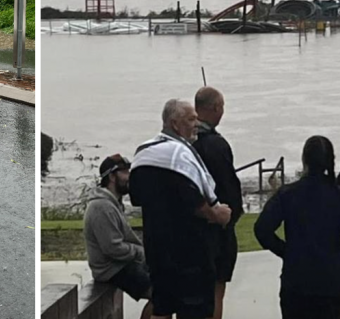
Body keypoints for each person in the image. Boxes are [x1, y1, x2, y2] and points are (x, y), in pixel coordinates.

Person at [129, 99, 232, 319]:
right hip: (190, 253)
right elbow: (199, 203)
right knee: (195, 309)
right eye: (191, 119)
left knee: (162, 306)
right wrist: (220, 214)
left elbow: (136, 198)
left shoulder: (143, 153)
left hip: (156, 249)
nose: (197, 123)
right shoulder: (180, 155)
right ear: (175, 124)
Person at [254, 136, 340, 319]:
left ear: (304, 160)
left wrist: (286, 251)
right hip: (333, 281)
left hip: (297, 280)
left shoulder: (287, 194)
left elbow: (262, 229)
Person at [83, 154, 154, 319]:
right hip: (112, 269)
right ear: (112, 177)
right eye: (124, 172)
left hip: (121, 264)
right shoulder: (102, 207)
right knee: (162, 295)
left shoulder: (112, 203)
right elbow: (113, 248)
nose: (129, 176)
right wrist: (140, 252)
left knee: (168, 281)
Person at [192, 87, 242, 319]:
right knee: (215, 291)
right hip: (217, 227)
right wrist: (232, 216)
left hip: (191, 226)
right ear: (215, 108)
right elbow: (229, 186)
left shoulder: (185, 144)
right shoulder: (215, 145)